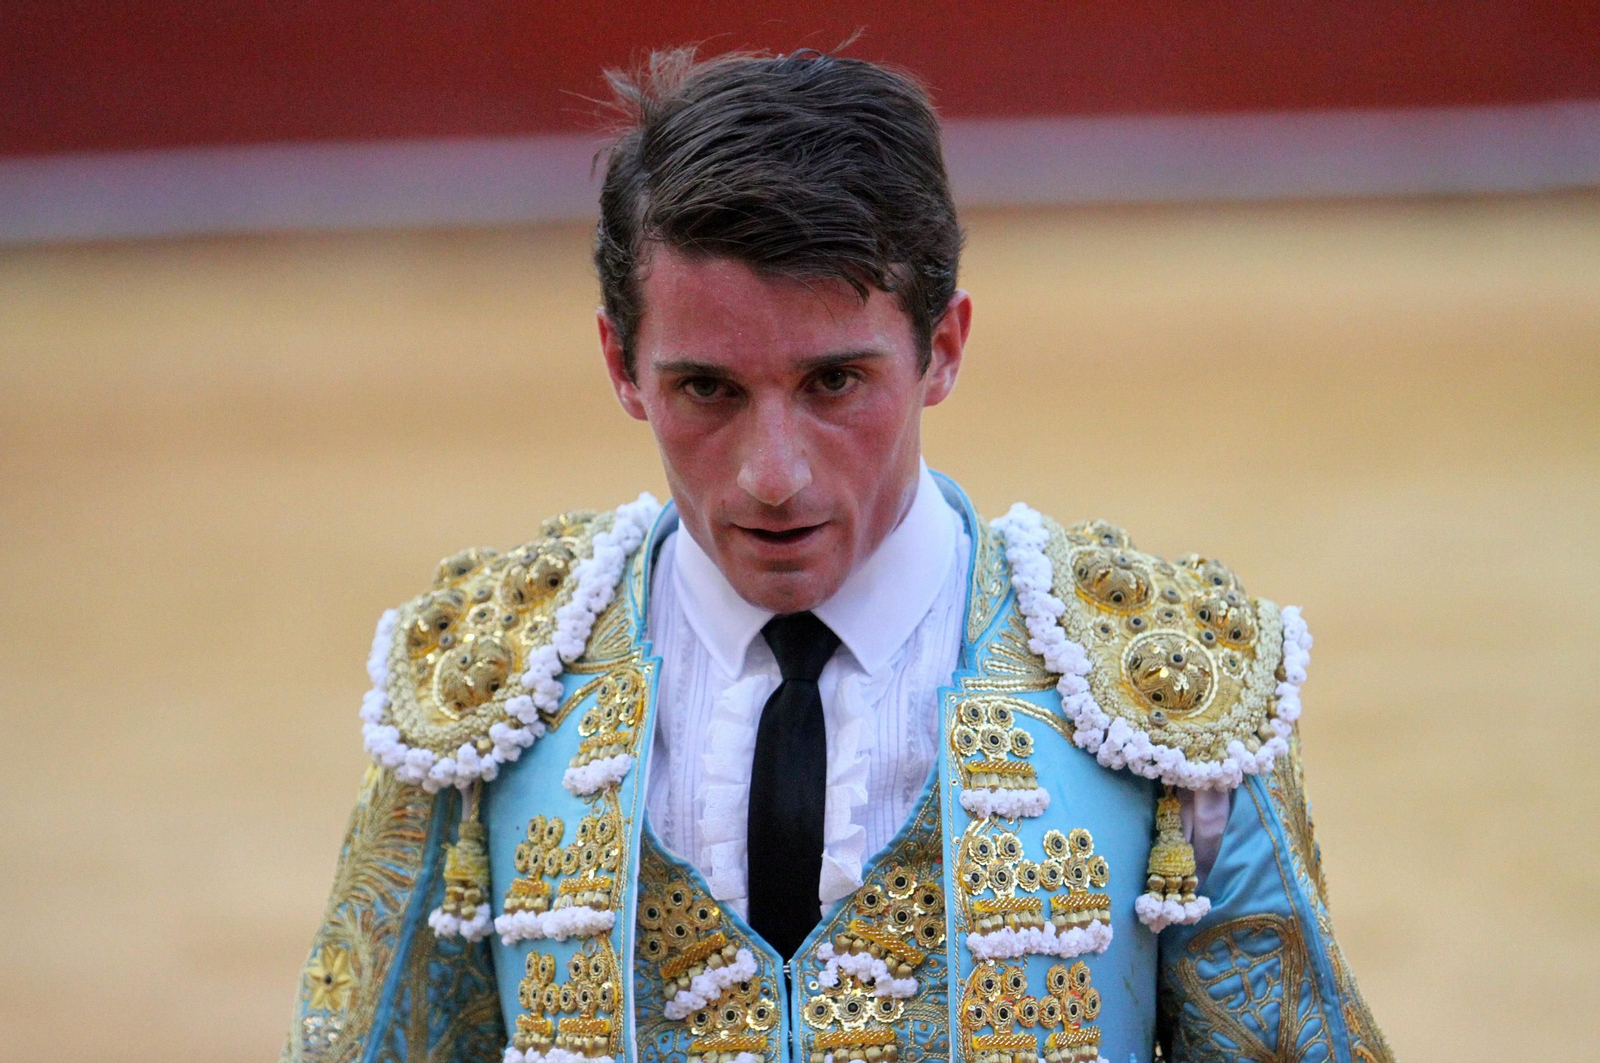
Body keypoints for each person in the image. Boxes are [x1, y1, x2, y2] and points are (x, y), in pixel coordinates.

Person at [284, 48, 1391, 1063]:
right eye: (706, 388)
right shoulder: (487, 699)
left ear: (941, 349)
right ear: (622, 365)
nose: (775, 474)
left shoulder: (1162, 701)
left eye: (834, 383)